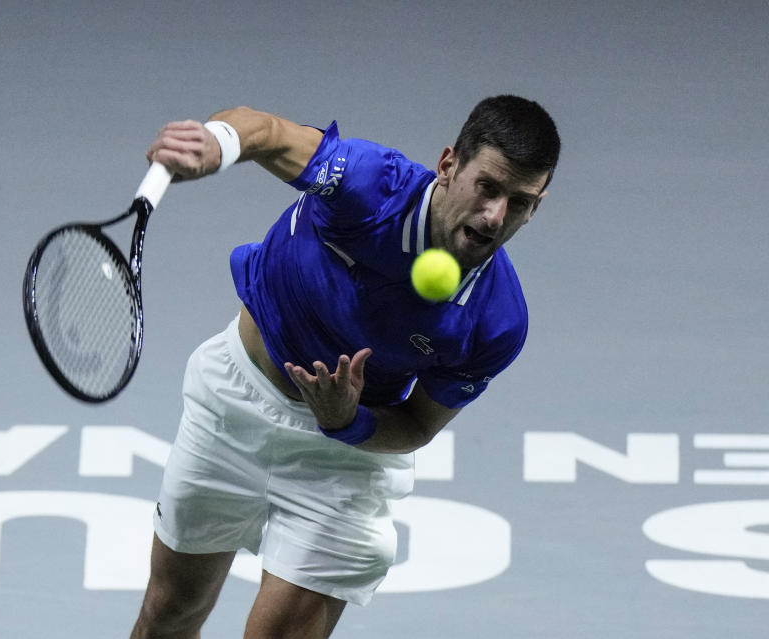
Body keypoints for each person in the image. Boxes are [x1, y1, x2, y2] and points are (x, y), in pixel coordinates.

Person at [130, 96, 560, 639]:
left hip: (343, 460)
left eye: (520, 202)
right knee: (168, 615)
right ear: (449, 166)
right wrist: (219, 143)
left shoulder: (496, 322)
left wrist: (346, 422)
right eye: (488, 187)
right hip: (233, 402)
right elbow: (265, 131)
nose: (496, 216)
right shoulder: (368, 185)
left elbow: (419, 424)